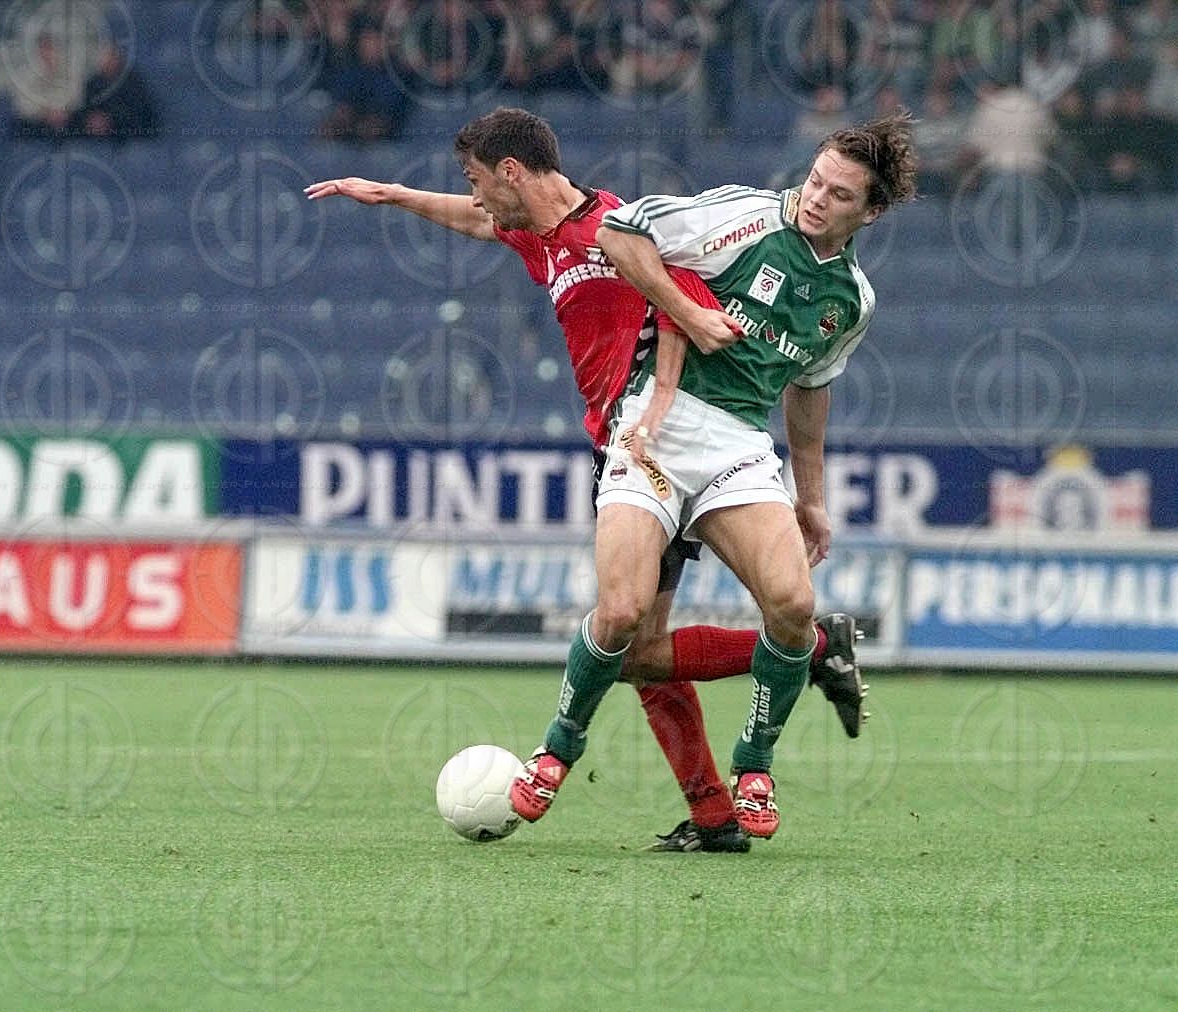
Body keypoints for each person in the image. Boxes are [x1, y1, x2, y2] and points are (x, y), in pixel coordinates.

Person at [305, 107, 867, 851]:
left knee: (635, 640)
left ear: (511, 172)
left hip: (663, 437)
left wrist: (660, 399)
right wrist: (393, 195)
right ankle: (721, 800)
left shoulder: (610, 226)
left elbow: (681, 296)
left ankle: (777, 700)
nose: (474, 196)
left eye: (476, 179)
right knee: (638, 649)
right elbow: (476, 221)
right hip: (620, 442)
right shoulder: (539, 237)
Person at [507, 110, 917, 839]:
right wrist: (687, 316)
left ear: (871, 212)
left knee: (792, 603)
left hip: (737, 444)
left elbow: (810, 390)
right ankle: (559, 746)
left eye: (840, 194)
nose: (817, 198)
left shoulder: (851, 301)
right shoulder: (745, 217)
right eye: (816, 180)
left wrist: (812, 499)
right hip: (658, 426)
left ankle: (753, 763)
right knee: (622, 615)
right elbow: (619, 233)